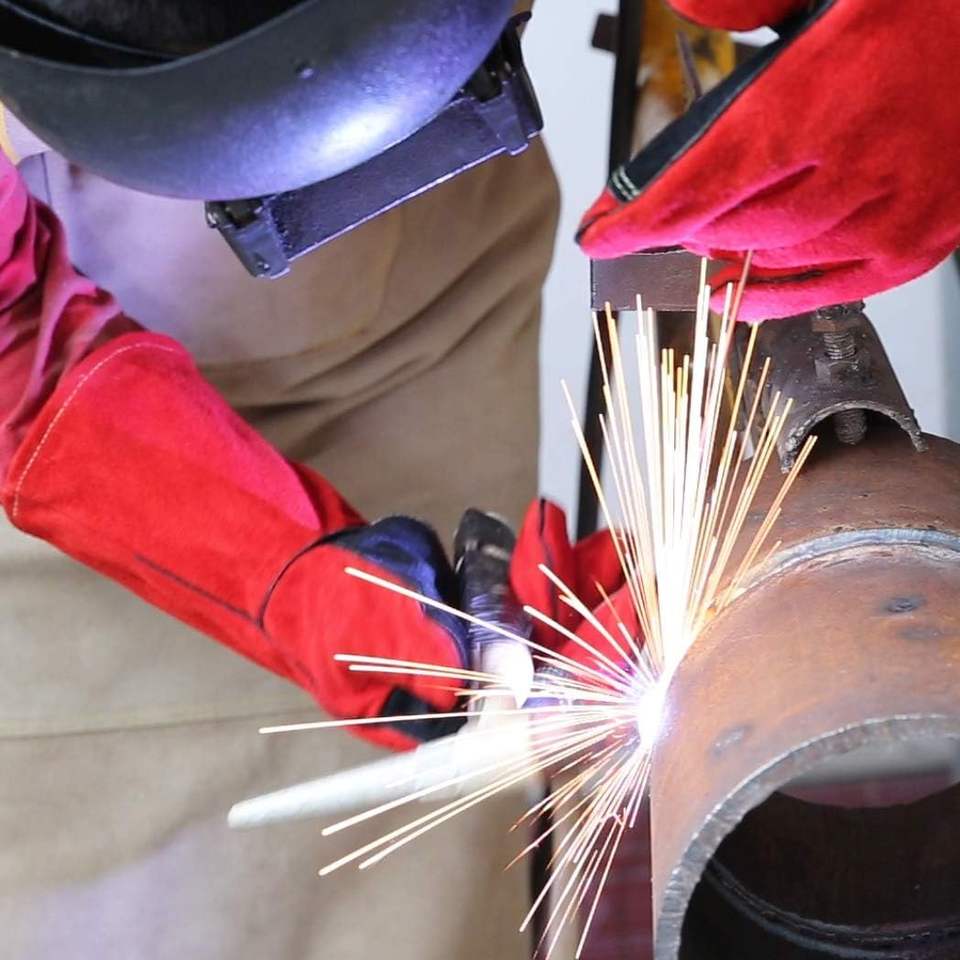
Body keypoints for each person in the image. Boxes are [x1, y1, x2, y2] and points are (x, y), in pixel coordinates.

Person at [1, 1, 954, 958]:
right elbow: (15, 349)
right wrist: (266, 567)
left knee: (434, 849)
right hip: (78, 415)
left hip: (412, 297)